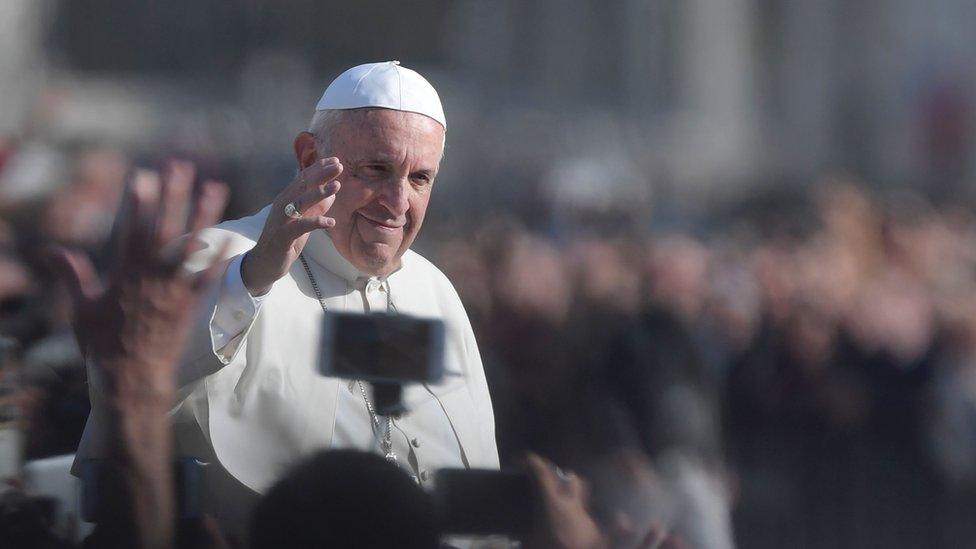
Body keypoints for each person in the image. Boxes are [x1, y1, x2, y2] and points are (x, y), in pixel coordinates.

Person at [74, 61, 498, 538]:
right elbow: (133, 398)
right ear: (308, 155)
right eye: (377, 169)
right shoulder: (217, 259)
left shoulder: (432, 288)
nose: (398, 202)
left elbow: (475, 464)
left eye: (420, 178)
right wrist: (251, 280)